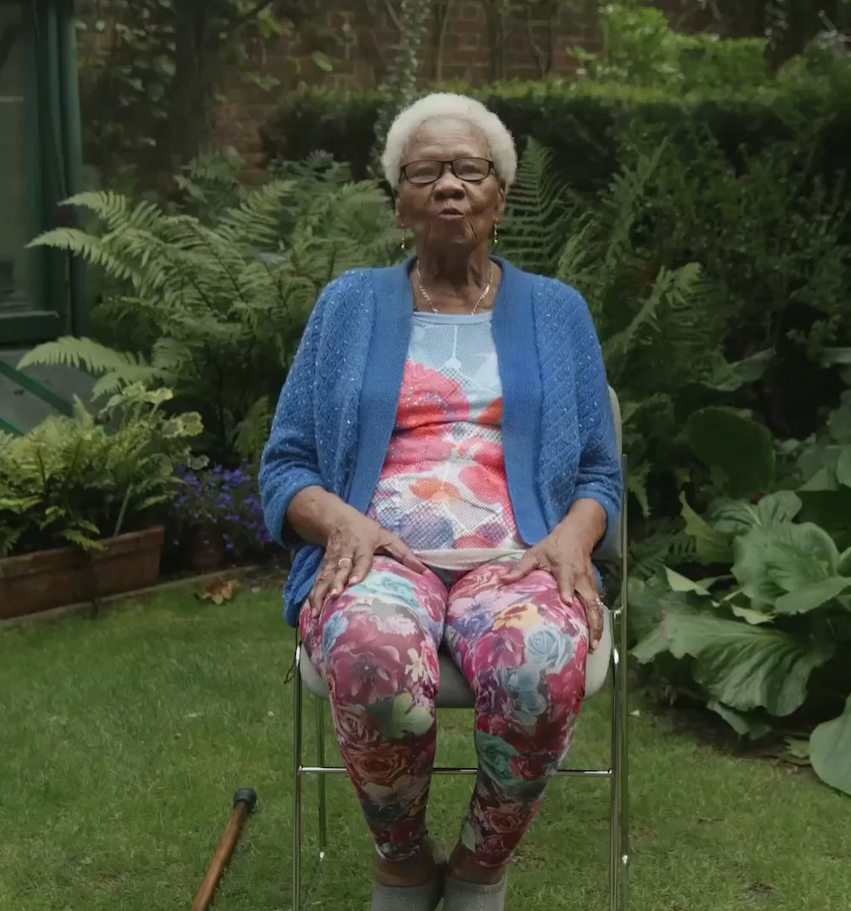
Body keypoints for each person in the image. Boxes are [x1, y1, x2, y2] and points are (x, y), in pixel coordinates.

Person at [259, 92, 622, 911]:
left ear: (501, 194)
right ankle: (402, 860)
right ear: (400, 204)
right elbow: (284, 465)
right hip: (380, 551)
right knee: (370, 657)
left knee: (540, 665)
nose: (450, 185)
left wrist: (575, 533)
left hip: (520, 557)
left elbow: (600, 471)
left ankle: (479, 864)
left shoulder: (558, 313)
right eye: (427, 173)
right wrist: (341, 518)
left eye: (469, 170)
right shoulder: (347, 306)